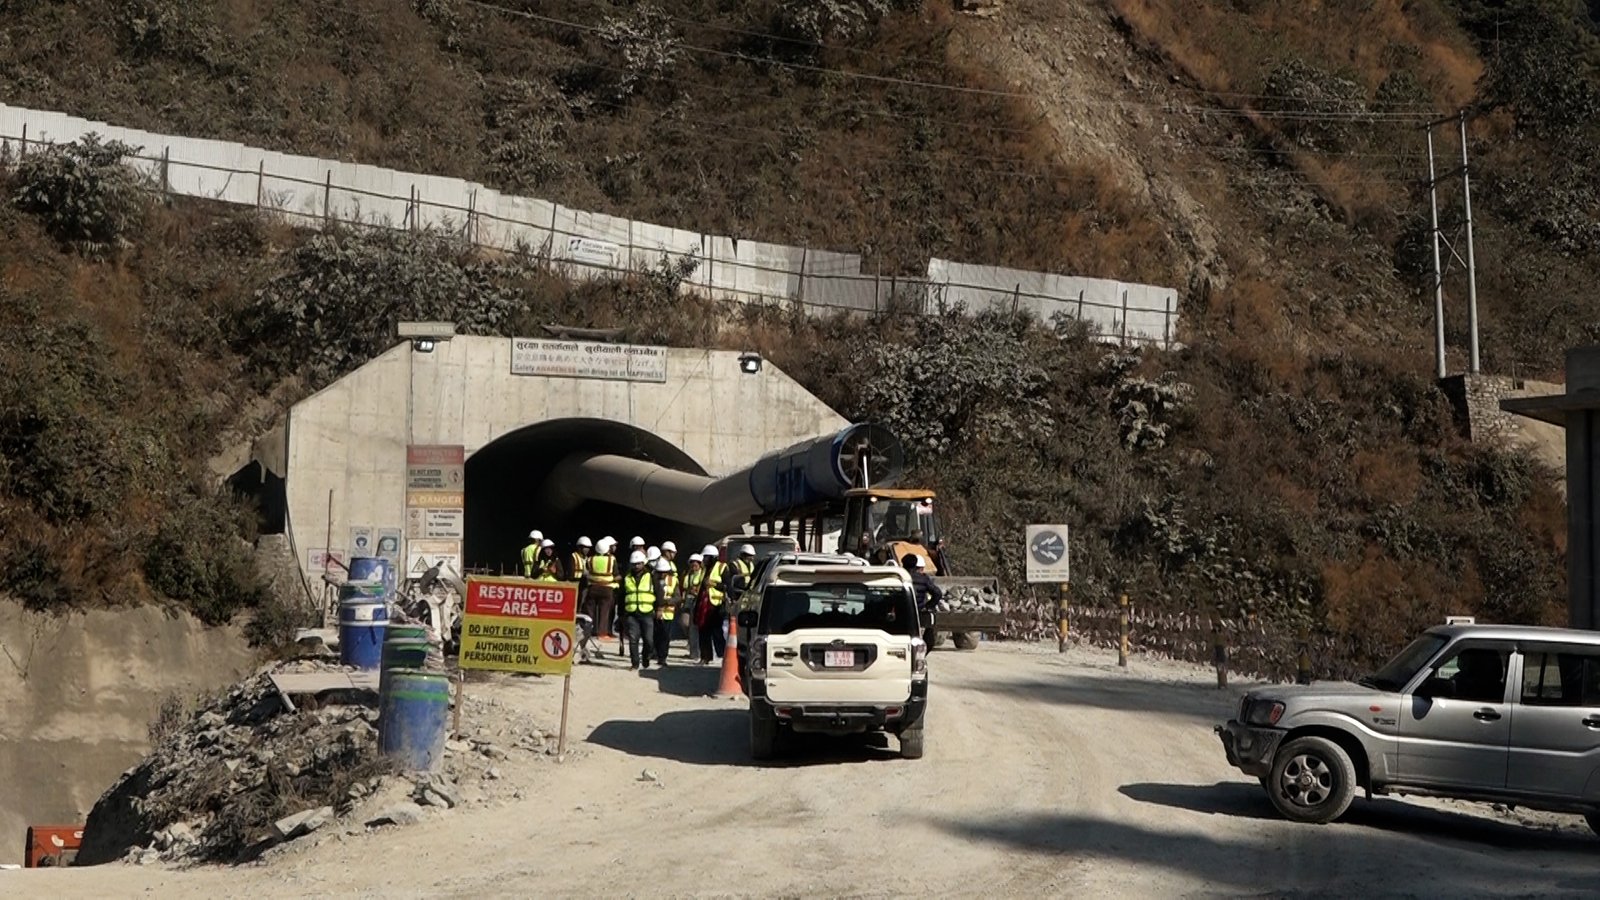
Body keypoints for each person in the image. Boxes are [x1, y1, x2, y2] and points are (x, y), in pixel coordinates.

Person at [620, 551, 656, 672]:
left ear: (643, 563)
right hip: (631, 613)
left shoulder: (651, 576)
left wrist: (659, 608)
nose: (636, 566)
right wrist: (621, 614)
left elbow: (658, 594)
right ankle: (635, 663)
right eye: (634, 564)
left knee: (649, 640)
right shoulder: (627, 578)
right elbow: (621, 596)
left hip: (647, 612)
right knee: (633, 639)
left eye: (639, 564)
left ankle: (646, 657)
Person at [696, 544, 729, 664]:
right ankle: (705, 657)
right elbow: (701, 589)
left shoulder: (722, 567)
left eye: (706, 557)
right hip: (705, 605)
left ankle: (722, 656)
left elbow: (727, 586)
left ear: (712, 557)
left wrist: (714, 584)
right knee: (703, 632)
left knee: (717, 632)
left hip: (717, 606)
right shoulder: (704, 570)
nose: (704, 560)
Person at [903, 553, 944, 647]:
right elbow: (938, 593)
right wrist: (928, 606)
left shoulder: (899, 577)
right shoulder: (923, 579)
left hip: (901, 613)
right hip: (918, 612)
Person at [587, 536, 619, 640]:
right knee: (604, 611)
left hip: (592, 587)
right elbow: (615, 573)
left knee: (591, 611)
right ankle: (602, 633)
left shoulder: (590, 559)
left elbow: (587, 571)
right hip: (606, 588)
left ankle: (590, 631)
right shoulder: (611, 559)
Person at [652, 557, 678, 667]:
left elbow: (678, 597)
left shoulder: (673, 580)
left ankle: (662, 658)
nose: (662, 575)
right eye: (660, 572)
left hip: (668, 613)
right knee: (654, 635)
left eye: (664, 572)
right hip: (653, 612)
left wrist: (667, 602)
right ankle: (654, 653)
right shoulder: (651, 580)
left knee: (665, 637)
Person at [680, 552, 705, 661]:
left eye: (696, 564)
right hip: (687, 603)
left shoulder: (702, 574)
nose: (694, 566)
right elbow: (683, 587)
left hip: (697, 602)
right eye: (692, 564)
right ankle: (691, 645)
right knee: (684, 623)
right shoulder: (687, 574)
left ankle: (695, 653)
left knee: (694, 628)